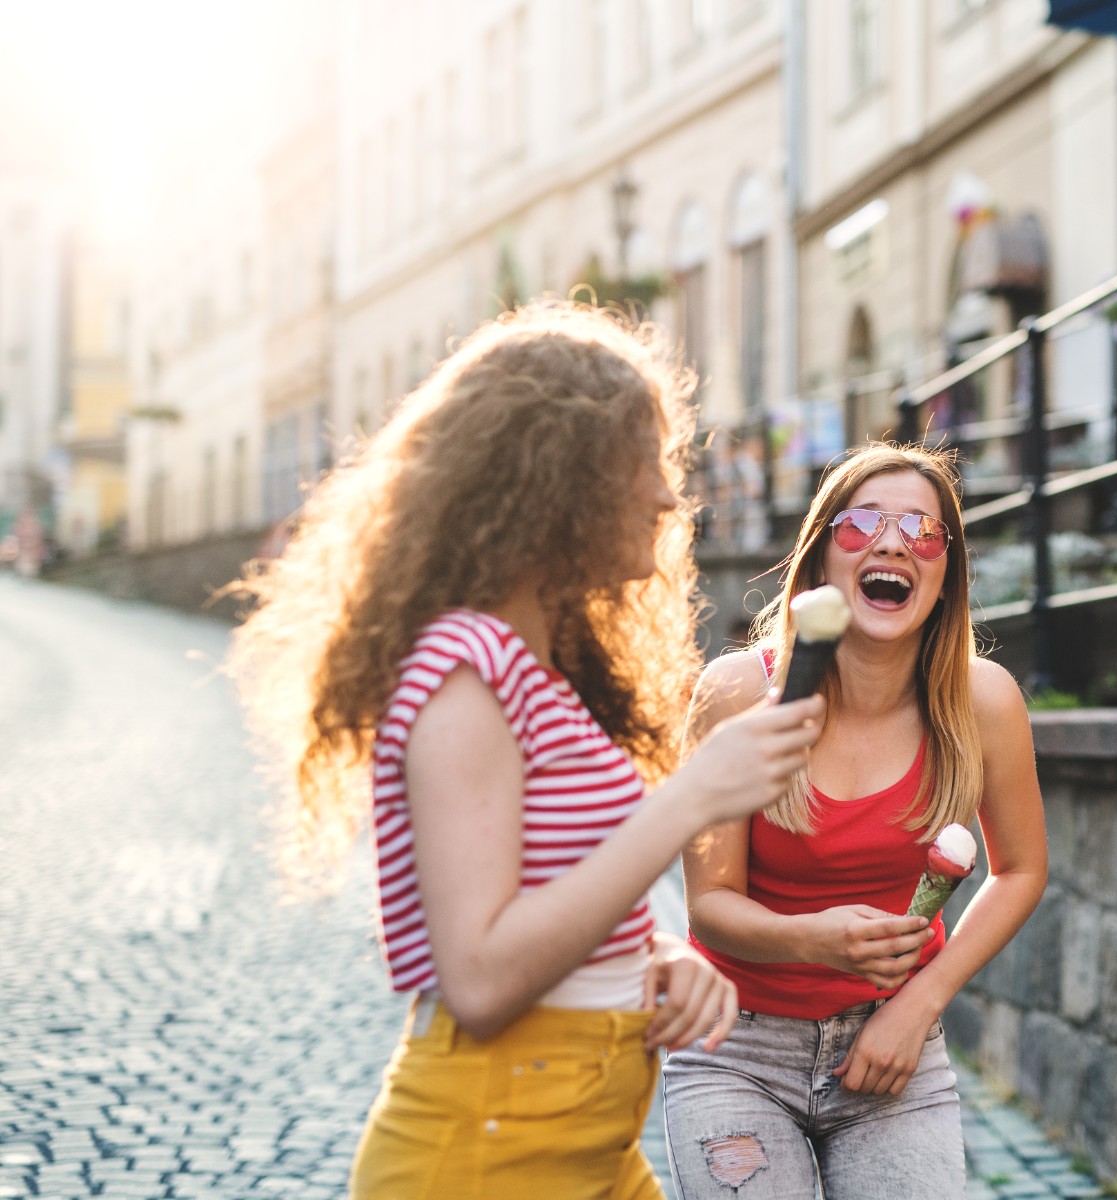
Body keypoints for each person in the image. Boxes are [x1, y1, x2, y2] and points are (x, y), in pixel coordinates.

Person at [228, 302, 825, 1199]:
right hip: (487, 1151)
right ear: (557, 479)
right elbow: (479, 975)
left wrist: (648, 957)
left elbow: (550, 886)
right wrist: (690, 800)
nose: (667, 495)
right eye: (641, 462)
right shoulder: (463, 671)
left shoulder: (535, 668)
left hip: (580, 1143)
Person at [661, 443, 1048, 1197]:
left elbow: (1022, 869)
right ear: (817, 567)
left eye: (923, 531)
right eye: (862, 522)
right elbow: (708, 909)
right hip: (735, 1047)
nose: (894, 541)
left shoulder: (983, 701)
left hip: (891, 1043)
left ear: (944, 575)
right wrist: (815, 938)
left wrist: (919, 1003)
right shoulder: (737, 693)